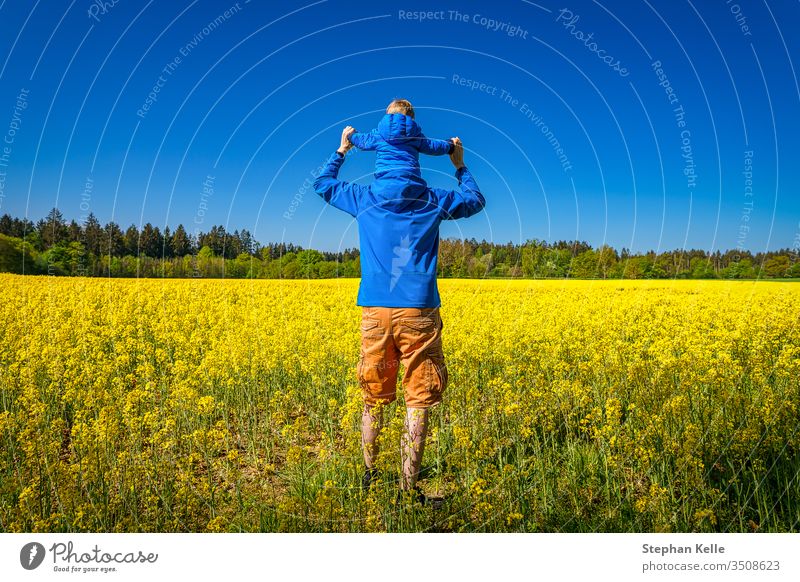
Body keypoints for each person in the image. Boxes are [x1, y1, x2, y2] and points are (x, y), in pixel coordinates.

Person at [313, 103, 485, 501]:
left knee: (374, 394)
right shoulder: (433, 199)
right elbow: (474, 201)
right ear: (417, 151)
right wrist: (459, 165)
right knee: (418, 397)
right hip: (419, 310)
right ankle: (409, 489)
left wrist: (341, 150)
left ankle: (370, 476)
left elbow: (323, 185)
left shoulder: (364, 198)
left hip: (374, 309)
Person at [347, 99, 454, 200]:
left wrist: (351, 135)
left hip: (384, 185)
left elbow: (362, 141)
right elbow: (434, 146)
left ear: (388, 114)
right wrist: (450, 145)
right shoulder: (416, 136)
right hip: (411, 183)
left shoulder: (378, 134)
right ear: (411, 118)